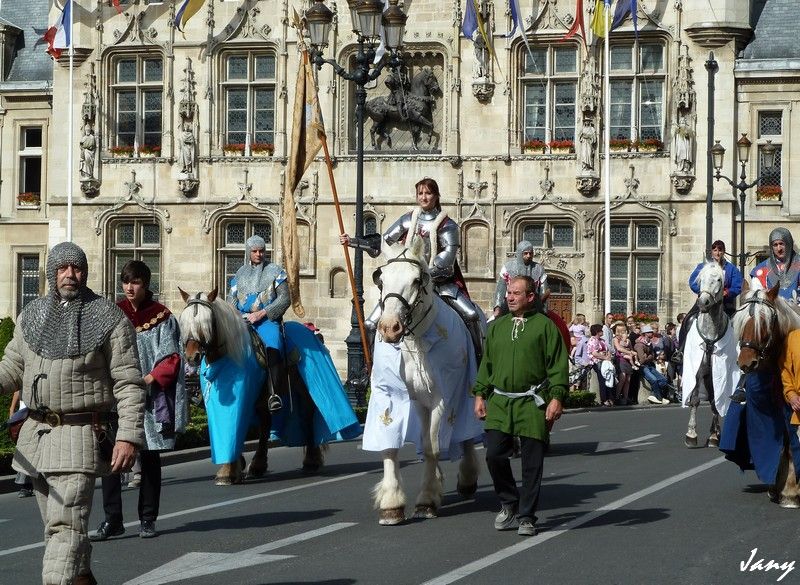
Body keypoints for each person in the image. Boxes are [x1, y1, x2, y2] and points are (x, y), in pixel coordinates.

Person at [0, 241, 145, 585]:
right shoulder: (32, 316)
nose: (70, 275)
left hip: (79, 439)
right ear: (52, 273)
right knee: (61, 534)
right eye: (63, 268)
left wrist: (128, 436)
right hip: (36, 440)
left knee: (65, 529)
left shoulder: (108, 317)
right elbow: (12, 367)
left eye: (76, 268)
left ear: (85, 272)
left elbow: (129, 382)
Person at [91, 260, 187, 542]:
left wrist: (146, 380)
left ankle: (147, 518)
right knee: (110, 459)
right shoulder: (112, 314)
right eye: (125, 282)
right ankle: (113, 519)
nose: (129, 288)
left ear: (146, 285)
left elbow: (171, 358)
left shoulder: (162, 318)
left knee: (148, 458)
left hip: (148, 399)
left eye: (135, 282)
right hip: (115, 398)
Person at [340, 177, 486, 360]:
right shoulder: (408, 220)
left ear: (436, 196)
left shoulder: (447, 225)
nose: (424, 197)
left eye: (428, 193)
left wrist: (422, 274)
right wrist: (353, 242)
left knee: (472, 315)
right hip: (407, 283)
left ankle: (479, 361)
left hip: (440, 282)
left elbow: (446, 262)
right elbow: (383, 243)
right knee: (370, 324)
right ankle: (367, 370)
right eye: (420, 193)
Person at [472, 275, 568, 536]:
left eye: (516, 293)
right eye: (508, 293)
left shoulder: (545, 327)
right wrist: (480, 394)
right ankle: (508, 501)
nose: (510, 297)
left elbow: (558, 366)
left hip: (532, 401)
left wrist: (557, 397)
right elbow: (487, 365)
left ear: (530, 297)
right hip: (500, 400)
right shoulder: (497, 327)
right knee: (493, 454)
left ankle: (526, 516)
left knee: (532, 462)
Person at [228, 234, 290, 411]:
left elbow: (285, 299)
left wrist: (263, 313)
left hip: (267, 321)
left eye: (261, 251)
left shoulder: (275, 271)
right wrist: (237, 314)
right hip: (242, 321)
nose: (258, 254)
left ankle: (273, 394)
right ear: (248, 252)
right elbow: (231, 299)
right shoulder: (239, 274)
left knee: (273, 346)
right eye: (254, 251)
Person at [688, 240, 743, 317]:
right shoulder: (702, 266)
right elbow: (693, 282)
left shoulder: (732, 269)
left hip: (725, 303)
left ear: (724, 252)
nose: (717, 253)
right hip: (705, 300)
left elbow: (738, 286)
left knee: (735, 323)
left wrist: (727, 292)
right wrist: (703, 291)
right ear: (712, 252)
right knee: (688, 319)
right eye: (715, 250)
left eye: (720, 250)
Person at [493, 240, 547, 318]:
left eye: (530, 253)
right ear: (519, 253)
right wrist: (497, 308)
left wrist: (544, 309)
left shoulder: (539, 269)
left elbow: (543, 291)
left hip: (532, 306)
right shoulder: (508, 267)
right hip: (510, 306)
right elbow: (500, 290)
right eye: (525, 253)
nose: (528, 256)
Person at [751, 228, 800, 302]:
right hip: (772, 311)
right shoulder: (761, 270)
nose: (779, 248)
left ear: (789, 244)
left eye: (781, 244)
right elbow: (756, 298)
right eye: (775, 245)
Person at [634, 325, 671, 405]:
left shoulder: (649, 343)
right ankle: (659, 398)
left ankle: (654, 395)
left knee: (663, 380)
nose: (652, 333)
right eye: (650, 332)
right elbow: (642, 360)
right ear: (645, 333)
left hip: (649, 365)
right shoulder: (639, 344)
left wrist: (648, 356)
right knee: (653, 380)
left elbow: (652, 355)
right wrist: (648, 357)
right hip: (642, 367)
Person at [8, 389, 33, 497]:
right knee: (26, 450)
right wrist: (12, 411)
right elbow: (18, 390)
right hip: (25, 418)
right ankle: (25, 486)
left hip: (43, 417)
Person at [587, 324, 615, 407]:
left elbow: (607, 349)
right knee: (602, 379)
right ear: (597, 331)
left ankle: (610, 397)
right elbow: (594, 353)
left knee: (610, 378)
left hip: (605, 360)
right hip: (597, 362)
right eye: (601, 330)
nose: (602, 332)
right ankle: (604, 399)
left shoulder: (602, 340)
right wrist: (604, 357)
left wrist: (608, 356)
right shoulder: (592, 340)